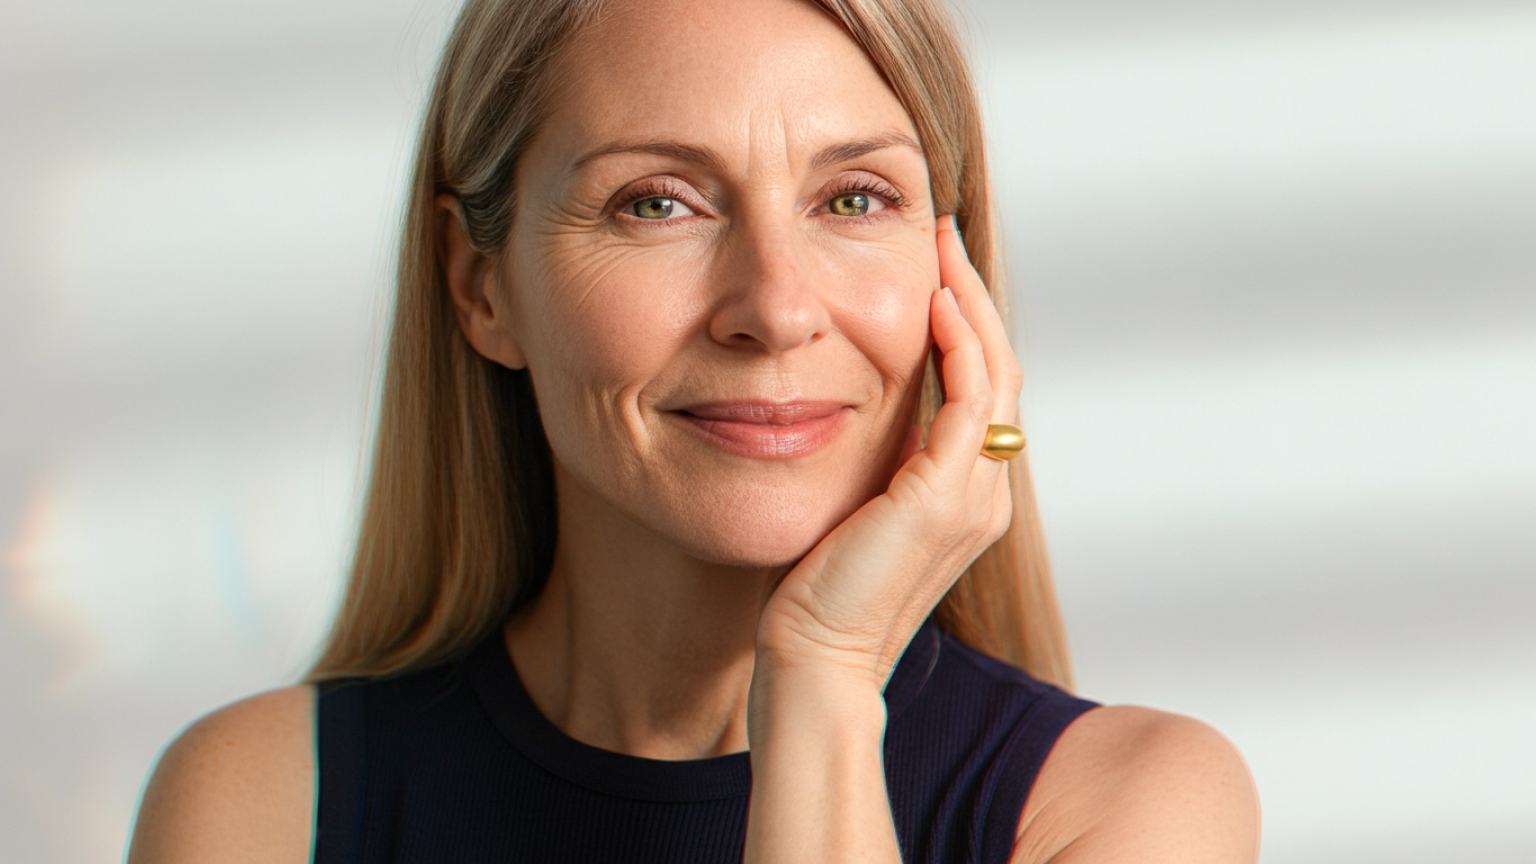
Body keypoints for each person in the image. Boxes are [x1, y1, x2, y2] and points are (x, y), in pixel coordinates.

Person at [127, 0, 1261, 860]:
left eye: (854, 199)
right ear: (481, 288)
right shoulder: (262, 802)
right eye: (656, 203)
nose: (775, 307)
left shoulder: (1125, 805)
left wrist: (823, 680)